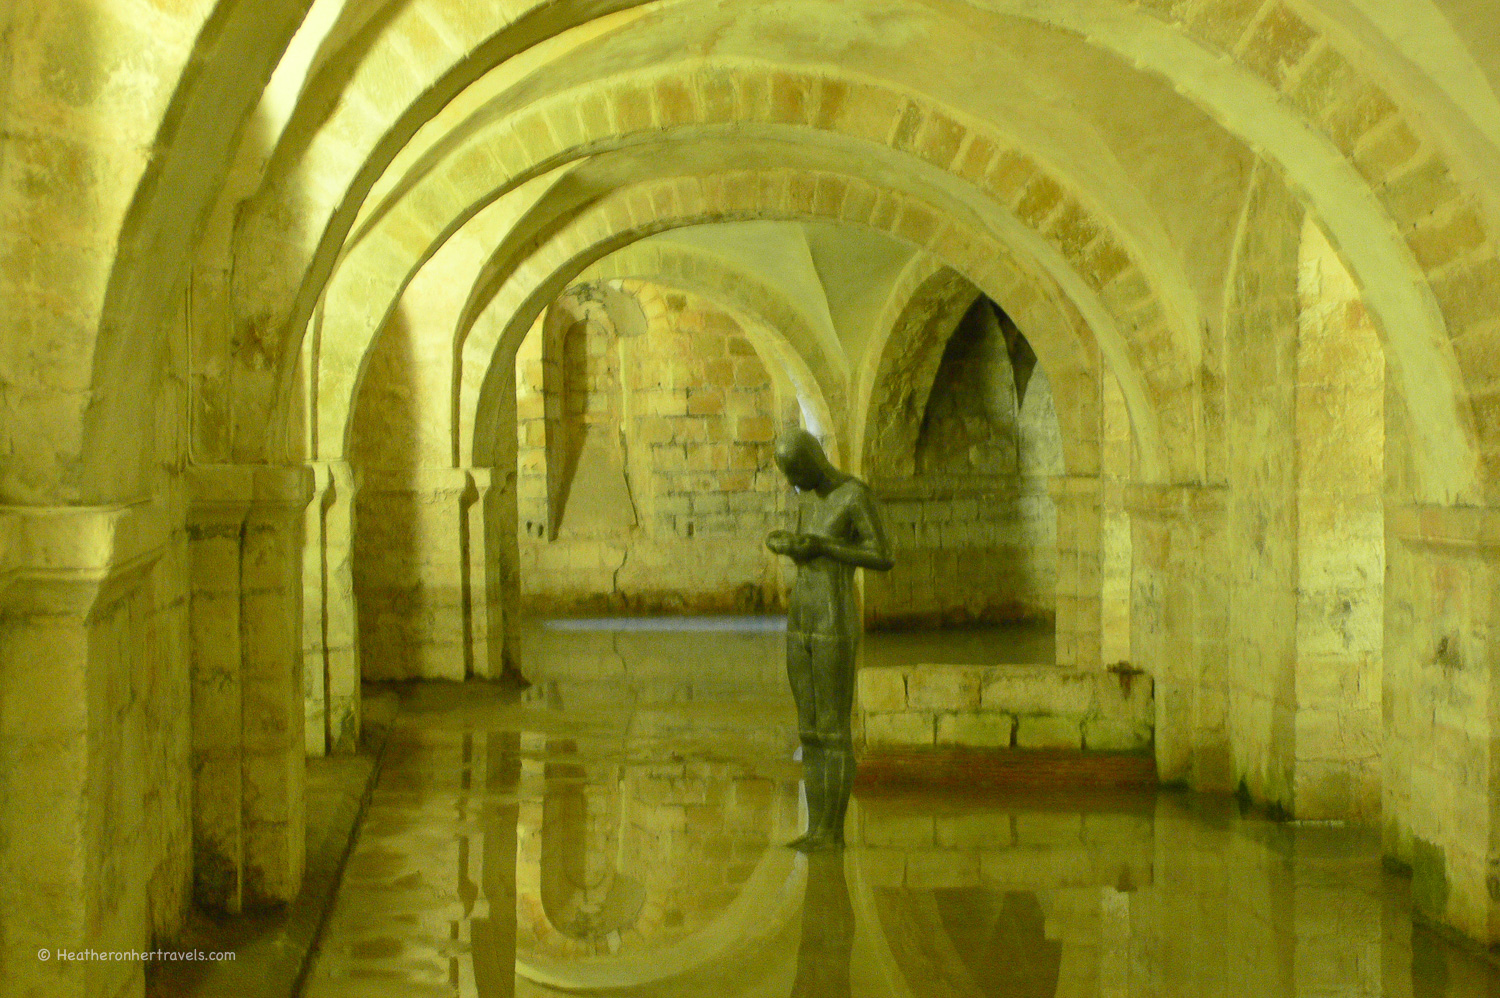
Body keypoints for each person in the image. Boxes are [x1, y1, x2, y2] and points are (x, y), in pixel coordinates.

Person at [766, 430, 893, 851]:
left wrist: (824, 546)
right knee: (809, 729)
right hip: (801, 615)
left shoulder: (854, 495)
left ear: (815, 460)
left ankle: (830, 831)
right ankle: (815, 826)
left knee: (833, 730)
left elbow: (882, 555)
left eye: (795, 472)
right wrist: (791, 545)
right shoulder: (806, 499)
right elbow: (810, 547)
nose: (791, 483)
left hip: (834, 617)